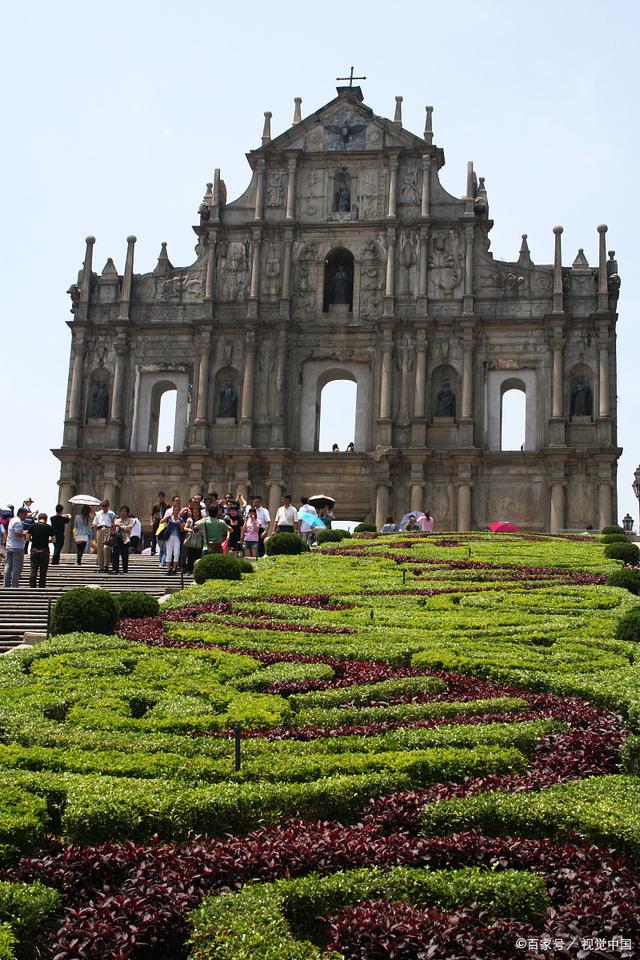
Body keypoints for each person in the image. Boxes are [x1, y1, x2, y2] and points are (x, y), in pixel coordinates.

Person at [3, 507, 29, 587]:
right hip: (17, 547)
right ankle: (14, 584)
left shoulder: (12, 520)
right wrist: (26, 534)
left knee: (8, 566)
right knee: (17, 567)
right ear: (20, 513)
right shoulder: (18, 522)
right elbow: (17, 534)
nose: (26, 516)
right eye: (25, 514)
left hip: (10, 545)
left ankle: (6, 584)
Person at [27, 513, 54, 588]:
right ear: (46, 519)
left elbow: (28, 538)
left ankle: (32, 586)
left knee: (33, 569)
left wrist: (34, 540)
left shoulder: (32, 526)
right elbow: (54, 540)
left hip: (34, 550)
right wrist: (47, 541)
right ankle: (41, 587)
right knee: (43, 571)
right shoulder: (49, 527)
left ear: (38, 518)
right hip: (44, 550)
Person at [162, 497, 185, 575]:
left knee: (176, 553)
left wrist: (180, 524)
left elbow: (182, 530)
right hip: (169, 537)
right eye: (175, 510)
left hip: (177, 538)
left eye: (178, 510)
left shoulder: (181, 519)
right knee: (169, 552)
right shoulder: (169, 518)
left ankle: (175, 568)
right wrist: (167, 518)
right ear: (173, 510)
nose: (177, 511)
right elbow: (161, 522)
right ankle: (169, 569)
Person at [93, 499, 116, 573]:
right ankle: (101, 567)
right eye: (102, 506)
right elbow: (95, 524)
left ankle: (106, 565)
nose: (104, 507)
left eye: (105, 506)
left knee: (106, 548)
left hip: (107, 530)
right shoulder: (98, 513)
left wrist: (113, 532)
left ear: (108, 506)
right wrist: (95, 534)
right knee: (99, 549)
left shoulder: (111, 513)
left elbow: (114, 524)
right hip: (99, 530)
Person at [182, 499, 204, 572]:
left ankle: (196, 569)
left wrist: (199, 527)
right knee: (190, 554)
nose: (195, 513)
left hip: (199, 538)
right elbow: (185, 528)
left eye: (197, 512)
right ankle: (189, 569)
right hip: (191, 538)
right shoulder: (189, 519)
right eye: (194, 512)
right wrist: (190, 529)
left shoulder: (202, 520)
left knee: (198, 554)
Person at [112, 506, 135, 574]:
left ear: (127, 513)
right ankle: (115, 569)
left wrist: (120, 526)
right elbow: (113, 529)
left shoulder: (130, 520)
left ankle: (125, 569)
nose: (122, 513)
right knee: (115, 554)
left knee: (125, 555)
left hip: (125, 539)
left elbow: (129, 528)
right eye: (121, 511)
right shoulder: (117, 520)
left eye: (124, 511)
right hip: (117, 538)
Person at [150, 491, 168, 565]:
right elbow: (151, 514)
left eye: (162, 497)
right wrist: (151, 521)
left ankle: (163, 550)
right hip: (157, 521)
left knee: (162, 536)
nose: (161, 498)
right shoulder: (156, 505)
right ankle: (153, 549)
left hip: (163, 522)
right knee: (154, 535)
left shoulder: (167, 505)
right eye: (160, 497)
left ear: (164, 497)